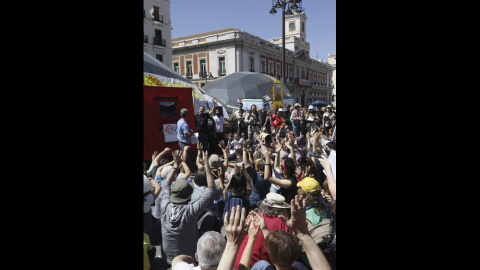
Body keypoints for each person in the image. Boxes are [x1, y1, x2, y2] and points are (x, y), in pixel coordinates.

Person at [158, 150, 217, 266]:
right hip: (188, 259)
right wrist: (207, 167)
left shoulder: (164, 204)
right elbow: (211, 190)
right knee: (210, 215)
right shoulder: (191, 211)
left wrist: (175, 165)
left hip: (167, 258)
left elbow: (165, 184)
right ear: (188, 197)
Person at [232, 193, 292, 270]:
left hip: (240, 264)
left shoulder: (253, 217)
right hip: (263, 267)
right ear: (282, 209)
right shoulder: (283, 223)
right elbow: (289, 250)